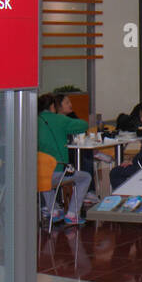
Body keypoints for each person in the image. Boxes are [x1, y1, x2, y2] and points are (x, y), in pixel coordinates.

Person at [36, 93, 91, 225]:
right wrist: (63, 118)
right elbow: (83, 125)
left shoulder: (33, 120)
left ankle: (53, 210)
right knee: (85, 177)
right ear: (52, 106)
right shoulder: (59, 119)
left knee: (44, 177)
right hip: (57, 171)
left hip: (36, 173)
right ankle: (72, 214)